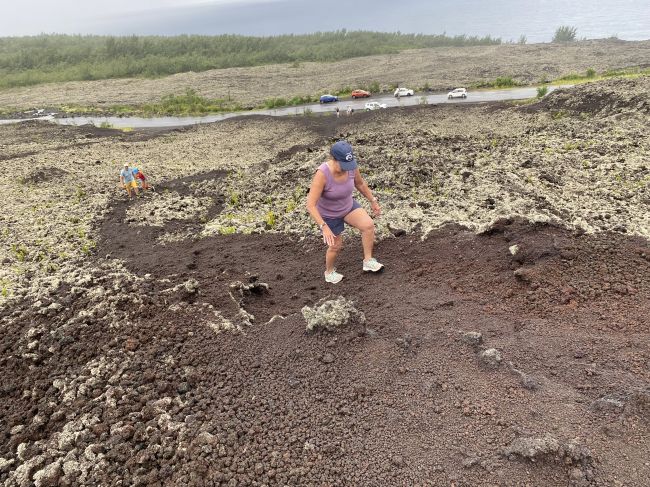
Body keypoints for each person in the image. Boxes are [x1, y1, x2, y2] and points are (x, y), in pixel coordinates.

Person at [306, 140, 384, 284]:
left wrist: (372, 200)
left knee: (368, 226)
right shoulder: (322, 174)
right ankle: (329, 272)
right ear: (334, 159)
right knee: (335, 245)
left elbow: (360, 183)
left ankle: (368, 261)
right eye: (343, 164)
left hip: (347, 206)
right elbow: (310, 205)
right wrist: (324, 227)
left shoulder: (351, 167)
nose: (347, 168)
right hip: (329, 214)